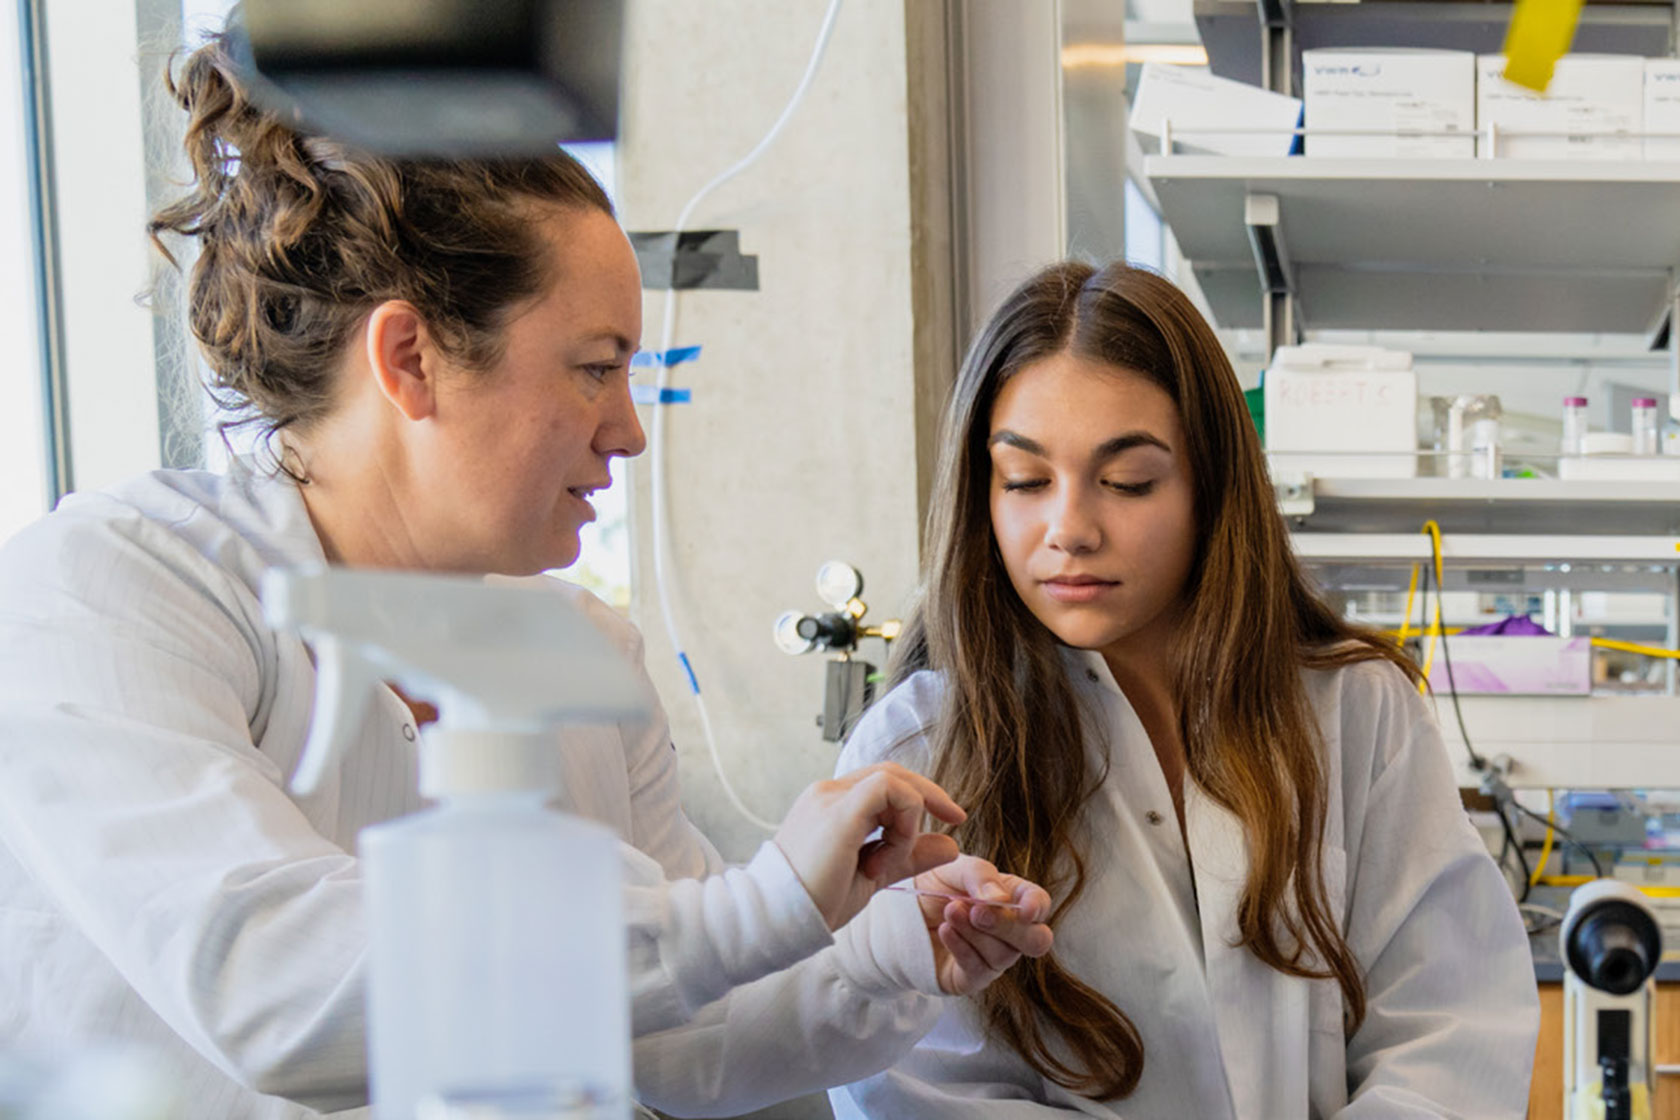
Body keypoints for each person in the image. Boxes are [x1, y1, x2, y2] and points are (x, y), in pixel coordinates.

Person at [0, 27, 1054, 1120]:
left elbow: (672, 1029)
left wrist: (878, 956)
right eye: (595, 369)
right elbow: (275, 988)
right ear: (409, 360)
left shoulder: (579, 649)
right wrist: (762, 905)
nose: (630, 432)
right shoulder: (108, 593)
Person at [829, 261, 1541, 1119]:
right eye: (1025, 481)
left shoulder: (1357, 712)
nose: (1070, 530)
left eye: (1128, 481)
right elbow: (908, 1085)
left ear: (1212, 485)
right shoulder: (915, 752)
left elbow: (1451, 1028)